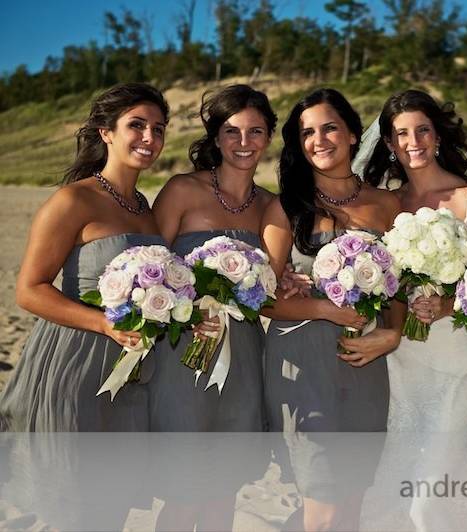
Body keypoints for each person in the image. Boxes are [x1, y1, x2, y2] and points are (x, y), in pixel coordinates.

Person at [0, 82, 169, 530]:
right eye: (136, 125)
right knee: (73, 506)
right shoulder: (73, 200)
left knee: (112, 507)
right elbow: (30, 290)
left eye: (158, 127)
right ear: (105, 132)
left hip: (133, 375)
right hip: (73, 365)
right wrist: (104, 323)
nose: (149, 137)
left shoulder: (146, 208)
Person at [358, 89, 467, 531]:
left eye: (422, 129)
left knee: (435, 485)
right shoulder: (389, 205)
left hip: (457, 359)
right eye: (401, 134)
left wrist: (449, 303)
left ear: (437, 135)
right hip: (404, 359)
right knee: (401, 481)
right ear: (388, 144)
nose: (413, 141)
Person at [261, 87, 402, 531]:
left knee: (353, 502)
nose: (318, 140)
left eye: (329, 128)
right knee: (321, 507)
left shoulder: (387, 204)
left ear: (354, 134)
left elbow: (401, 284)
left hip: (365, 364)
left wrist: (393, 332)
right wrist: (323, 309)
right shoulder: (286, 207)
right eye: (306, 133)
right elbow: (261, 299)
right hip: (303, 364)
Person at [147, 84, 277, 531]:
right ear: (215, 137)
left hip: (241, 354)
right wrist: (185, 307)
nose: (244, 143)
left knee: (223, 491)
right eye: (232, 131)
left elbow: (274, 283)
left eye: (255, 131)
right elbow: (149, 266)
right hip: (180, 349)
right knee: (184, 492)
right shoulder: (182, 190)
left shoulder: (268, 206)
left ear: (269, 137)